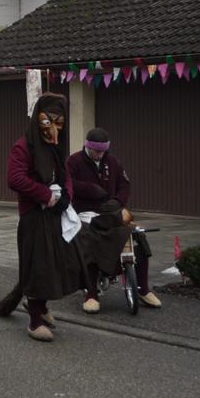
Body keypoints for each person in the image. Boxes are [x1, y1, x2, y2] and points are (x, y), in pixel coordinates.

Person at [5, 93, 86, 342]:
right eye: (48, 121)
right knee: (38, 267)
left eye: (59, 122)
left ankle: (40, 307)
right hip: (33, 216)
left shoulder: (55, 146)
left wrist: (66, 196)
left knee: (56, 265)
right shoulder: (23, 146)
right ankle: (34, 321)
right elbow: (15, 178)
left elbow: (65, 175)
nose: (53, 128)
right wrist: (45, 195)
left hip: (54, 216)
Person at [67, 128, 160, 311]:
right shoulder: (74, 161)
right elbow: (67, 183)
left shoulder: (113, 161)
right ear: (88, 147)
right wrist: (89, 189)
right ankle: (91, 294)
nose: (100, 155)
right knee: (91, 241)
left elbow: (125, 185)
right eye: (97, 151)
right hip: (85, 212)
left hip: (111, 211)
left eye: (103, 151)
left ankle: (143, 289)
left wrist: (118, 201)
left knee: (137, 236)